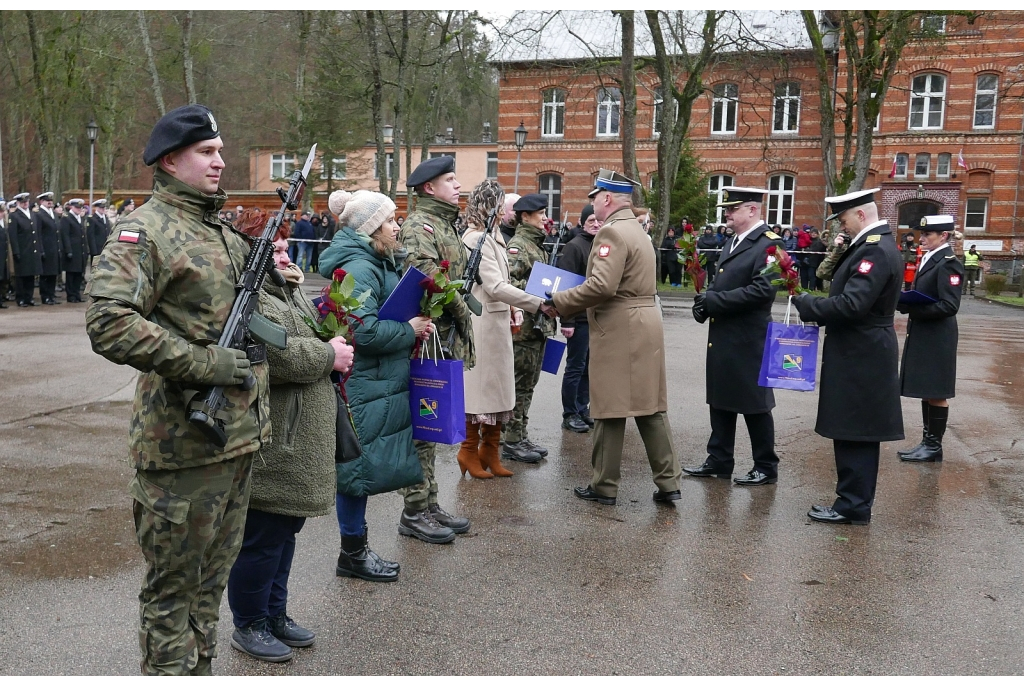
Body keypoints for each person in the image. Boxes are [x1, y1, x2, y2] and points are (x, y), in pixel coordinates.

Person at [86, 104, 270, 675]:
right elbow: (108, 320)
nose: (221, 161)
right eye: (207, 152)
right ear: (171, 161)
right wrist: (203, 364)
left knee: (208, 594)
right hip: (181, 448)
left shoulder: (217, 228)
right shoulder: (145, 230)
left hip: (234, 441)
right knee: (172, 599)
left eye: (221, 150)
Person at [226, 210, 355, 664]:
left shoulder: (287, 287)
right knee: (262, 536)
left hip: (300, 439)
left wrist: (337, 342)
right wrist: (328, 354)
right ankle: (249, 623)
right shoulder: (249, 295)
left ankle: (274, 613)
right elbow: (273, 356)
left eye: (285, 245)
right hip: (277, 438)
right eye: (275, 247)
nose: (284, 252)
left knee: (286, 530)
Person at [549, 169, 681, 506]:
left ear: (606, 198)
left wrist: (559, 302)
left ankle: (604, 485)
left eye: (595, 197)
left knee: (608, 407)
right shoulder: (637, 229)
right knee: (651, 406)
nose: (592, 204)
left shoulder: (612, 232)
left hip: (621, 324)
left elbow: (602, 286)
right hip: (644, 319)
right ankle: (669, 483)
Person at [319, 190, 434, 559]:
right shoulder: (361, 267)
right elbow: (361, 332)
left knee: (364, 468)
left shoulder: (377, 260)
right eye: (390, 220)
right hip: (364, 382)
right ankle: (353, 553)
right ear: (371, 228)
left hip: (377, 380)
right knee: (357, 470)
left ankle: (356, 549)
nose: (397, 226)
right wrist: (410, 330)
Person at [794, 188, 903, 525]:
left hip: (863, 351)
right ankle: (851, 501)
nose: (843, 227)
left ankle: (853, 505)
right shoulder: (871, 246)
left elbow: (853, 305)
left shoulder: (876, 251)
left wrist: (809, 305)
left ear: (860, 214)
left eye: (844, 219)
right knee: (851, 427)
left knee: (857, 430)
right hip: (860, 349)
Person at [396, 154, 474, 544]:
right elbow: (425, 273)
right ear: (430, 187)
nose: (458, 185)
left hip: (441, 341)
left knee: (431, 425)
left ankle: (428, 501)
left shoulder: (444, 224)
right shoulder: (418, 226)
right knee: (421, 426)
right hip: (426, 341)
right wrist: (461, 308)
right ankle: (414, 509)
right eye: (450, 180)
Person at [686, 187, 782, 486]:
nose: (726, 214)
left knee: (755, 404)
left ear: (752, 210)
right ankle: (719, 459)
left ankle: (765, 465)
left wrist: (716, 302)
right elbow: (721, 281)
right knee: (721, 399)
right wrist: (705, 304)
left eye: (733, 209)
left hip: (750, 337)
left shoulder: (769, 245)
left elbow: (763, 290)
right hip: (725, 332)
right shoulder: (733, 241)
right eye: (727, 209)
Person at [457, 180, 544, 477]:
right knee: (481, 391)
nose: (505, 211)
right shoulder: (474, 239)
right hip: (483, 325)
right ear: (488, 206)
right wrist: (537, 303)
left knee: (498, 390)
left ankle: (490, 451)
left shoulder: (493, 237)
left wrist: (517, 308)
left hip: (498, 323)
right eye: (500, 204)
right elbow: (494, 286)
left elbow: (504, 282)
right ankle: (468, 450)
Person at [896, 215, 964, 463]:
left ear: (943, 236)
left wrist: (912, 309)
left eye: (927, 235)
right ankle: (928, 442)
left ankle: (934, 446)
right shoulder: (930, 258)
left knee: (936, 392)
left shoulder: (948, 263)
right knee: (927, 389)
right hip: (926, 332)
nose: (921, 239)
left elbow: (949, 305)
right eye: (921, 234)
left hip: (938, 336)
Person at [503, 193, 557, 463]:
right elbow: (509, 284)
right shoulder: (519, 246)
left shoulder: (537, 245)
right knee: (519, 385)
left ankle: (520, 434)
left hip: (538, 327)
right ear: (525, 216)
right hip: (524, 328)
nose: (545, 218)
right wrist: (542, 290)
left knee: (529, 384)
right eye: (540, 213)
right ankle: (511, 440)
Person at [558, 204, 599, 433]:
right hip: (579, 319)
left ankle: (583, 408)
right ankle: (569, 412)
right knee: (575, 367)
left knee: (589, 368)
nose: (595, 224)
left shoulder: (602, 245)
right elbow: (566, 285)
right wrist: (567, 321)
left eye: (598, 220)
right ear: (583, 222)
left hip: (596, 317)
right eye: (591, 220)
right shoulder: (574, 246)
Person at [9, 192, 41, 307]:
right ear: (18, 203)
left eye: (26, 202)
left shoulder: (32, 214)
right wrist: (16, 251)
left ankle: (29, 297)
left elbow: (36, 234)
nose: (25, 204)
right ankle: (21, 298)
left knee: (31, 275)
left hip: (32, 250)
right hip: (22, 250)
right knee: (21, 276)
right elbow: (13, 236)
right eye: (22, 202)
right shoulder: (14, 216)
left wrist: (39, 248)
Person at [58, 199, 89, 303]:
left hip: (80, 250)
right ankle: (71, 295)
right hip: (72, 250)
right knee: (71, 274)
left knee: (78, 274)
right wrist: (68, 250)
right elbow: (65, 235)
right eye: (77, 207)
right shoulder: (66, 218)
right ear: (71, 207)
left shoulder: (79, 218)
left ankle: (76, 294)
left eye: (80, 208)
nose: (79, 209)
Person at [34, 192, 62, 305]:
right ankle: (45, 296)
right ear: (41, 202)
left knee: (53, 273)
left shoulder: (53, 214)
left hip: (54, 249)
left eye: (51, 200)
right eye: (47, 200)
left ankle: (51, 295)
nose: (50, 202)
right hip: (45, 248)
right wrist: (40, 249)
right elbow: (38, 234)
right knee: (45, 275)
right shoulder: (39, 214)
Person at [88, 199, 111, 267]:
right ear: (96, 208)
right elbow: (90, 236)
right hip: (97, 248)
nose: (103, 209)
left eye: (104, 207)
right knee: (96, 268)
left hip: (105, 248)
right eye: (101, 207)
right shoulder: (92, 219)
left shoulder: (105, 218)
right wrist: (94, 251)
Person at [0, 200, 8, 308]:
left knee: (2, 277)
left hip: (2, 254)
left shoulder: (3, 223)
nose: (3, 213)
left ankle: (1, 298)